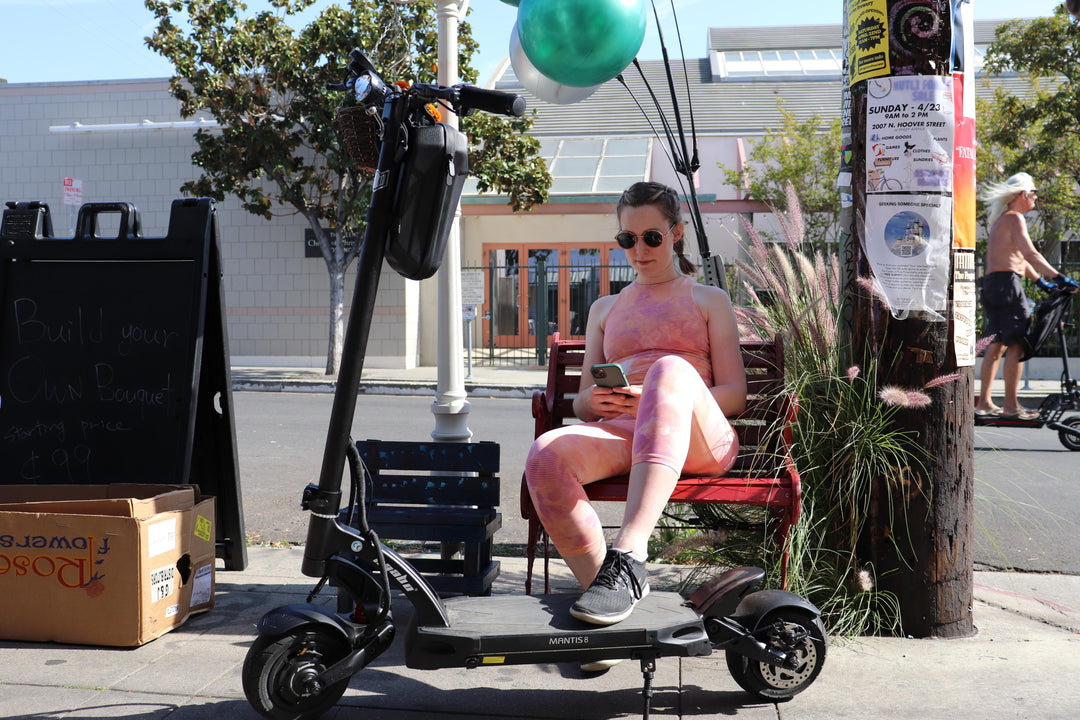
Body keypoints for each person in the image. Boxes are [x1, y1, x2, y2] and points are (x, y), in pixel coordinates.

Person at [524, 182, 747, 631]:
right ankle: (604, 608)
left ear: (677, 233)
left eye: (652, 237)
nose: (639, 249)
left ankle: (629, 553)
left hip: (701, 438)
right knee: (545, 454)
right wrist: (596, 398)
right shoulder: (606, 308)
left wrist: (665, 393)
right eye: (628, 239)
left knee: (670, 370)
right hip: (628, 432)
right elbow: (585, 402)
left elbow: (735, 396)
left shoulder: (708, 300)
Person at [976, 172, 1079, 420]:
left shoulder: (1002, 220)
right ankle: (1011, 407)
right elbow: (1030, 253)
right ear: (1023, 194)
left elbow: (1019, 259)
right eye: (1034, 192)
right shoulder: (1015, 219)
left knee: (996, 345)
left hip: (993, 285)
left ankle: (985, 403)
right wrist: (1059, 278)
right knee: (1018, 345)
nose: (1035, 197)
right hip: (1008, 287)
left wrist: (1040, 282)